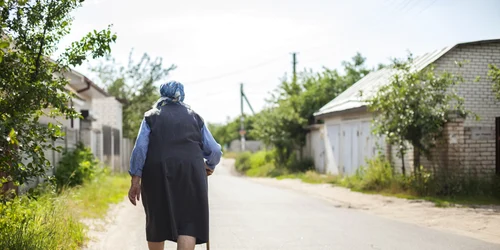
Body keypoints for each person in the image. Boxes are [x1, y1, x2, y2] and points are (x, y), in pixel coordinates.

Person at [128, 81, 222, 250]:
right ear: (181, 95)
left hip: (156, 172)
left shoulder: (151, 116)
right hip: (191, 173)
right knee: (189, 223)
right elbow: (214, 149)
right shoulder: (195, 117)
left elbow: (140, 149)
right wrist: (210, 165)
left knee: (157, 220)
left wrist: (135, 180)